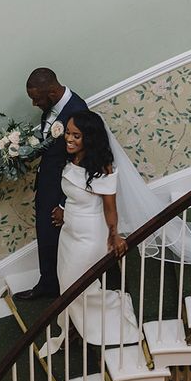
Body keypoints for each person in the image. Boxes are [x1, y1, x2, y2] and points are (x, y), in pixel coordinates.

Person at [48, 111, 139, 350]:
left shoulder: (103, 168)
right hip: (69, 233)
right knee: (67, 281)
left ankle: (87, 326)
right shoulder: (73, 159)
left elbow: (109, 208)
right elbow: (78, 197)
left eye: (76, 135)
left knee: (73, 285)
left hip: (90, 237)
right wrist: (64, 211)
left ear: (90, 137)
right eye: (68, 132)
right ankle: (74, 326)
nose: (68, 138)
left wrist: (114, 234)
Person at [13, 68, 88, 300]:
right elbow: (51, 145)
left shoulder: (78, 111)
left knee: (60, 242)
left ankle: (63, 289)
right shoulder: (51, 109)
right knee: (46, 238)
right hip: (47, 185)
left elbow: (82, 161)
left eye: (37, 98)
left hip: (62, 190)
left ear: (53, 93)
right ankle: (48, 284)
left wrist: (65, 204)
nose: (35, 104)